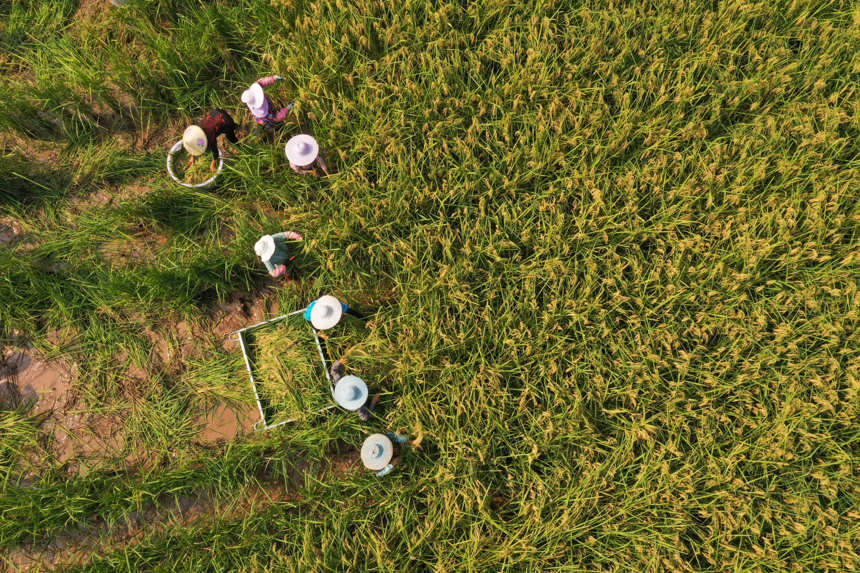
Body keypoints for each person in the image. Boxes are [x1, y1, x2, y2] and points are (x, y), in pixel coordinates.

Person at [330, 356, 379, 421]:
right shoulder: (358, 407)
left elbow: (334, 370)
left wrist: (339, 362)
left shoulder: (339, 383)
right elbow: (364, 418)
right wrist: (373, 402)